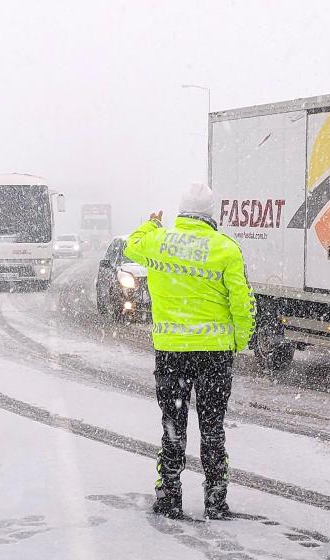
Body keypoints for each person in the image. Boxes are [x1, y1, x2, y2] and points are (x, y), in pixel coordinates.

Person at [124, 183, 255, 520]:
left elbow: (131, 245)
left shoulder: (157, 241)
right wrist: (239, 341)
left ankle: (169, 498)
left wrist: (152, 223)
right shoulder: (225, 249)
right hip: (214, 355)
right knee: (212, 428)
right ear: (210, 215)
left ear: (181, 211)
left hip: (171, 353)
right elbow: (242, 304)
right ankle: (215, 501)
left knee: (173, 427)